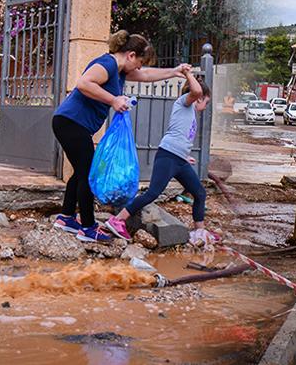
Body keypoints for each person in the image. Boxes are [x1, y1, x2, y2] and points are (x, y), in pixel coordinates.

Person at [52, 30, 190, 243]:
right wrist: (114, 100)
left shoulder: (120, 71)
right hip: (71, 123)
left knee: (81, 171)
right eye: (139, 62)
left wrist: (174, 71)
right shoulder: (107, 64)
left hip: (70, 123)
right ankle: (88, 228)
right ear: (131, 55)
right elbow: (84, 83)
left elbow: (145, 76)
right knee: (87, 174)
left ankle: (66, 217)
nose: (139, 67)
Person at [103, 70, 219, 246]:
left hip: (179, 159)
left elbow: (181, 136)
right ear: (199, 98)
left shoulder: (190, 113)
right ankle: (118, 220)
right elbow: (195, 91)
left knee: (199, 193)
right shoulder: (184, 103)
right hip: (168, 156)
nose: (206, 106)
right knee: (153, 193)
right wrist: (189, 75)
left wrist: (185, 156)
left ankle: (199, 232)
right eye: (206, 102)